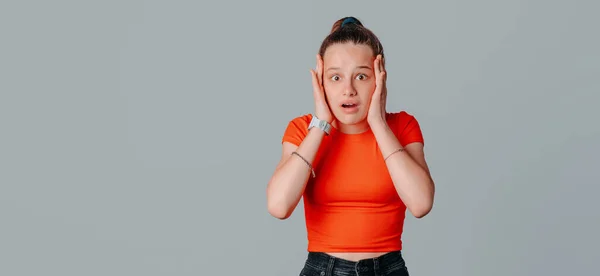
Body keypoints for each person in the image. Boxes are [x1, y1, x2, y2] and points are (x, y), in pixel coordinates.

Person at [266, 16, 435, 276]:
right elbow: (278, 206)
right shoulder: (302, 130)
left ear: (379, 79)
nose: (348, 90)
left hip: (389, 269)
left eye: (361, 76)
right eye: (335, 78)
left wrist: (378, 123)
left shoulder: (401, 126)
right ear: (321, 82)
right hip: (322, 269)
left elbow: (421, 203)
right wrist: (321, 123)